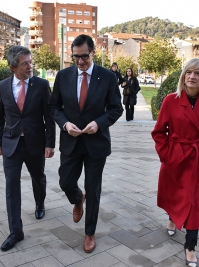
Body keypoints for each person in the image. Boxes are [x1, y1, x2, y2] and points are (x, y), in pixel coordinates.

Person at [50, 34, 123, 253]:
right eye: (75, 57)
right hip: (71, 141)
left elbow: (116, 109)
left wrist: (99, 124)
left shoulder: (107, 77)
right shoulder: (63, 76)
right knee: (65, 182)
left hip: (95, 144)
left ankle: (89, 232)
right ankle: (76, 198)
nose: (80, 61)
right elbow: (54, 108)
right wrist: (64, 125)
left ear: (92, 52)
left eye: (84, 56)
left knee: (94, 189)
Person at [151, 58, 199, 267]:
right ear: (183, 75)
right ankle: (172, 216)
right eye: (189, 72)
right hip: (175, 156)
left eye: (197, 73)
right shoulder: (171, 100)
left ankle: (190, 246)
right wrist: (167, 154)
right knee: (175, 194)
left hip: (198, 158)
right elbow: (159, 132)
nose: (192, 76)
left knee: (193, 201)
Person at [0, 45, 56, 251]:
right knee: (11, 186)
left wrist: (49, 144)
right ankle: (15, 231)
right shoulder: (3, 86)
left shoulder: (41, 85)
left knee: (38, 178)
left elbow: (49, 117)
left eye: (31, 62)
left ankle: (39, 204)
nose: (30, 66)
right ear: (13, 67)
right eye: (25, 64)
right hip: (11, 144)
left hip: (35, 144)